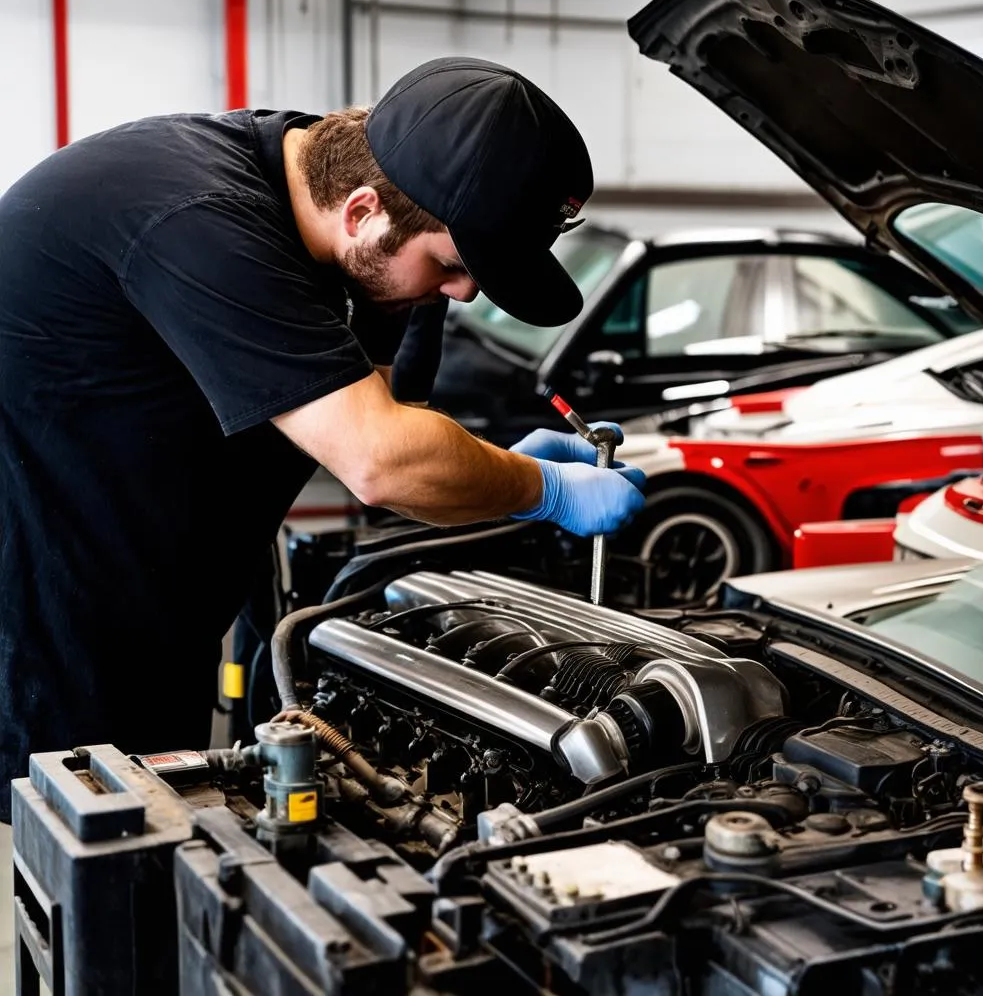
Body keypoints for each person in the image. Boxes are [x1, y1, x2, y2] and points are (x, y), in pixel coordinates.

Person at [0, 57, 646, 821]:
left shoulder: (353, 214)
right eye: (450, 265)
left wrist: (488, 465)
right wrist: (543, 489)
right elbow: (381, 464)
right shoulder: (201, 222)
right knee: (101, 862)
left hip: (158, 585)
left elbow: (389, 424)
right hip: (54, 611)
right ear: (363, 209)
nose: (463, 292)